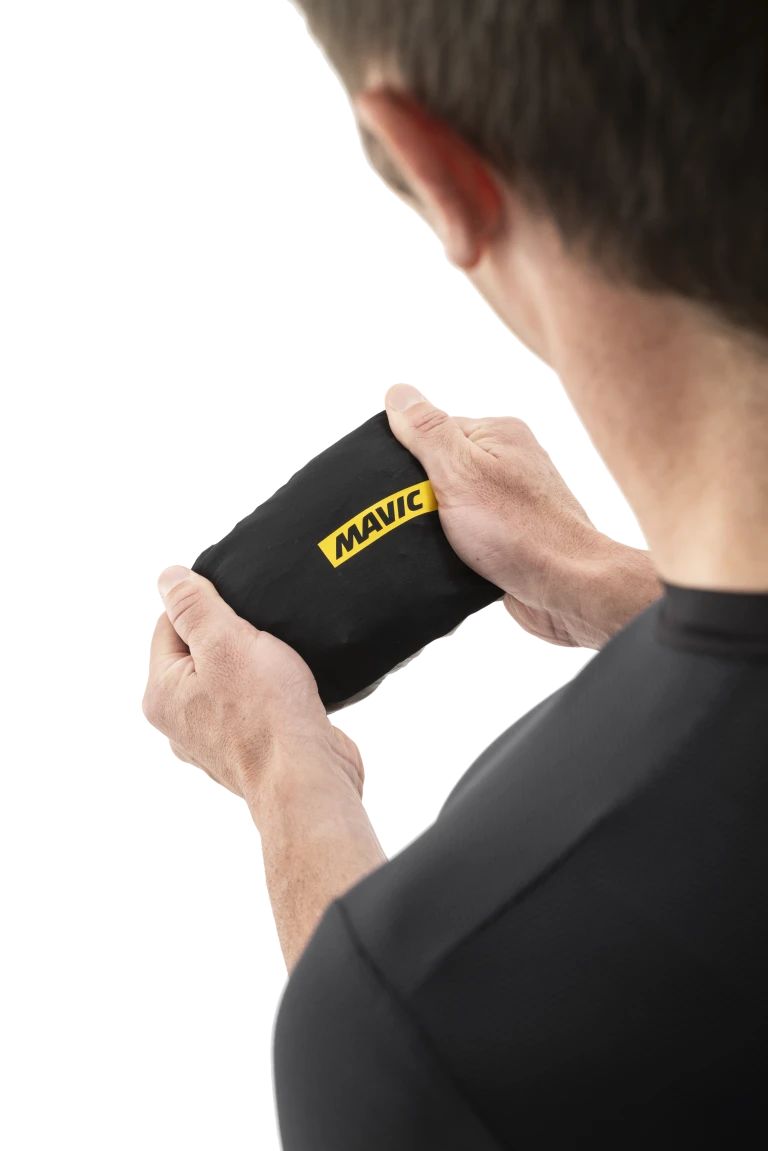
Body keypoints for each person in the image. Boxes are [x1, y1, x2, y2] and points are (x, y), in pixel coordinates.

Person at [142, 1, 768, 1146]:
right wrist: (620, 584)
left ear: (442, 168)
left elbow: (402, 1061)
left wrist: (291, 776)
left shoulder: (441, 1011)